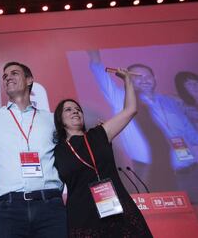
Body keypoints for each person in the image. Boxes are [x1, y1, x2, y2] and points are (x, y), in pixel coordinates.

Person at [53, 68, 153, 237]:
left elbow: (130, 110)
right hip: (83, 214)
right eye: (68, 109)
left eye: (78, 109)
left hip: (117, 206)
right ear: (59, 119)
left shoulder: (100, 134)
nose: (75, 111)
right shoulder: (57, 150)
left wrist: (127, 80)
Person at [88, 50, 198, 202]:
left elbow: (190, 132)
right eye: (137, 77)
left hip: (192, 171)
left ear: (155, 78)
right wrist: (94, 56)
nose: (144, 80)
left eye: (148, 76)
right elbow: (100, 75)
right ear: (128, 80)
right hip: (151, 172)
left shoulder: (170, 102)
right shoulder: (122, 99)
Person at [0, 62, 67, 238]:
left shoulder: (50, 119)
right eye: (5, 76)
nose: (8, 77)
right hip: (7, 207)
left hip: (49, 205)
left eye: (14, 73)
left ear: (29, 80)